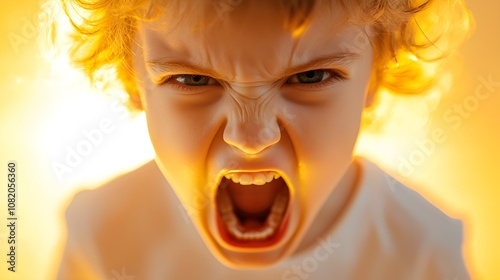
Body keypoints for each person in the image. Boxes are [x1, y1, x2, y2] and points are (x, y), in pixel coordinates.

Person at [55, 0, 473, 279]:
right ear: (133, 80)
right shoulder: (100, 233)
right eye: (193, 79)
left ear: (376, 75)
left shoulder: (423, 253)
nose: (250, 138)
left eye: (309, 77)